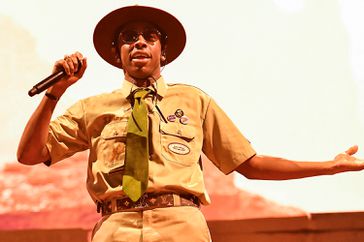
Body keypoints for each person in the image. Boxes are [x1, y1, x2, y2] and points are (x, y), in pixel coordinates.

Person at [17, 5, 364, 242]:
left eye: (149, 37)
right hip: (115, 228)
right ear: (116, 53)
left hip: (180, 227)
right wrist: (55, 93)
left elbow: (251, 165)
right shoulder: (91, 108)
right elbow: (31, 154)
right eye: (128, 37)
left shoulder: (193, 101)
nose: (139, 42)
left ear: (162, 52)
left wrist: (330, 166)